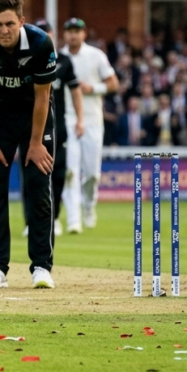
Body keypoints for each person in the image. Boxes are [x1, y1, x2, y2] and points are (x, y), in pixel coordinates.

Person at [0, 0, 57, 290]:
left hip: (35, 119)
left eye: (9, 24)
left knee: (39, 189)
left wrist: (36, 143)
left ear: (21, 21)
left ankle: (41, 267)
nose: (4, 31)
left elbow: (43, 96)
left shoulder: (41, 43)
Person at [22, 20, 83, 239]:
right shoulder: (23, 60)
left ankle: (54, 218)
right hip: (29, 126)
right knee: (30, 175)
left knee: (57, 174)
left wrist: (80, 119)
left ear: (52, 35)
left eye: (46, 33)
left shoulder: (64, 61)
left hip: (57, 126)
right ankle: (31, 222)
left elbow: (75, 90)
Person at [59, 18, 118, 234]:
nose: (73, 35)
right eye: (69, 31)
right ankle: (73, 219)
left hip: (92, 119)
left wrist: (93, 88)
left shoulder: (96, 55)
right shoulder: (58, 57)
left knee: (92, 174)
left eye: (77, 31)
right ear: (64, 34)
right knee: (70, 171)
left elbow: (113, 83)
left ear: (84, 34)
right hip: (68, 118)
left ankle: (88, 205)